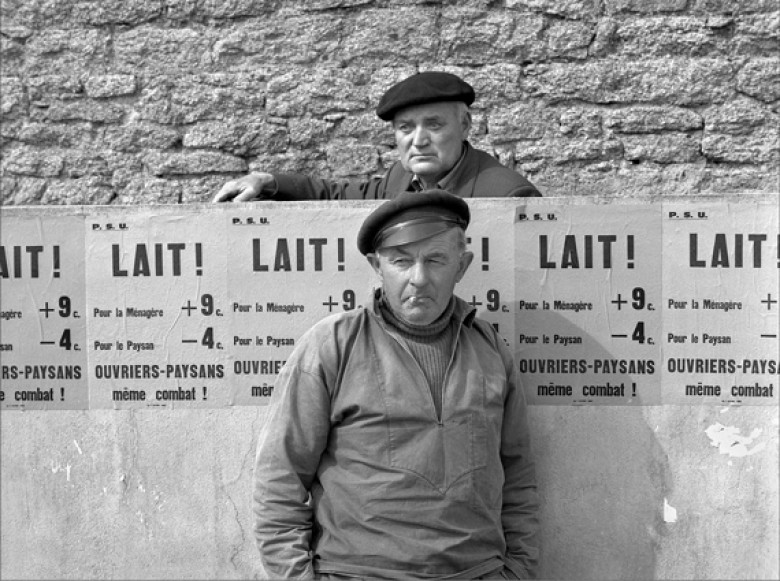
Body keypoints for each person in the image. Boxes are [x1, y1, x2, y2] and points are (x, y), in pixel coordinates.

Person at [252, 190, 540, 579]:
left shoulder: (489, 350)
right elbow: (279, 480)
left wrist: (518, 572)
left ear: (462, 265)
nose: (418, 279)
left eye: (435, 260)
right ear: (377, 265)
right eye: (401, 261)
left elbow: (518, 478)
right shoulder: (332, 346)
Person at [214, 71, 541, 202]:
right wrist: (265, 180)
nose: (419, 140)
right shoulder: (400, 178)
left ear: (466, 125)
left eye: (434, 125)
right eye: (405, 128)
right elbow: (335, 195)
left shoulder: (508, 195)